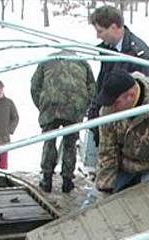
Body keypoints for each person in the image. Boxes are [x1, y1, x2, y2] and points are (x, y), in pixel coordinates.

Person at [87, 5, 149, 145]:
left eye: (100, 31)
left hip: (125, 131)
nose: (97, 36)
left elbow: (143, 97)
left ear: (113, 27)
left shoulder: (138, 55)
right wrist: (94, 113)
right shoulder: (108, 50)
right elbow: (103, 84)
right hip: (106, 121)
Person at [30, 51, 95, 194]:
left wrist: (42, 105)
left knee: (49, 141)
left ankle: (46, 178)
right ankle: (67, 180)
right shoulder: (83, 62)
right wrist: (83, 107)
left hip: (50, 105)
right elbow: (92, 87)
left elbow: (34, 85)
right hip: (74, 106)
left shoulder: (47, 60)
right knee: (70, 143)